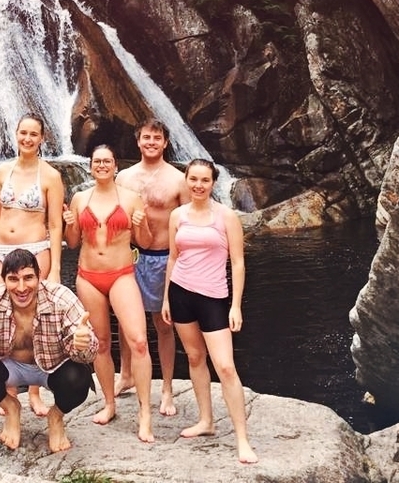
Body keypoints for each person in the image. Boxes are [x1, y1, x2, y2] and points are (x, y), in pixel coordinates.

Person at [0, 248, 97, 452]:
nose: (21, 287)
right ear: (4, 280)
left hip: (53, 368)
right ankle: (11, 407)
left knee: (79, 378)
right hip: (9, 366)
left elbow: (89, 352)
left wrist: (83, 344)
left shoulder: (61, 298)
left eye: (28, 278)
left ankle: (56, 416)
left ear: (39, 277)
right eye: (13, 279)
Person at [162, 158, 258, 464]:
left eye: (205, 180)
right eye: (193, 179)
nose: (198, 185)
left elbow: (238, 263)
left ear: (213, 183)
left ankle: (242, 439)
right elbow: (173, 258)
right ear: (186, 180)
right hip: (180, 293)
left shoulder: (226, 216)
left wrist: (236, 305)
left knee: (226, 367)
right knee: (194, 357)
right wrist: (166, 299)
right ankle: (206, 420)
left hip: (213, 297)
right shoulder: (177, 215)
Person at [63, 143, 155, 443]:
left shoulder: (131, 198)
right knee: (101, 343)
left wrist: (142, 225)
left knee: (138, 341)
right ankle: (109, 404)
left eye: (107, 161)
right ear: (90, 166)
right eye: (97, 161)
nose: (102, 165)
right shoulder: (80, 198)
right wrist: (69, 225)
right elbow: (73, 243)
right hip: (88, 277)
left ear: (116, 166)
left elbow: (145, 242)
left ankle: (144, 413)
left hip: (121, 274)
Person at [0, 112, 65, 416]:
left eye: (33, 134)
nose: (27, 139)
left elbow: (55, 225)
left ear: (42, 138)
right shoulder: (3, 171)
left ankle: (34, 391)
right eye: (23, 133)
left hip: (35, 249)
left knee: (33, 321)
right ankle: (7, 390)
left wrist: (56, 268)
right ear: (16, 134)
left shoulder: (51, 176)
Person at [115, 119, 189, 416]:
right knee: (125, 321)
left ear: (165, 143)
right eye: (146, 137)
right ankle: (126, 375)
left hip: (163, 258)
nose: (151, 142)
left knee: (163, 323)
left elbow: (187, 221)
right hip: (131, 255)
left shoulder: (178, 180)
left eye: (157, 138)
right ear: (138, 141)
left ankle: (167, 388)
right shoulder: (124, 177)